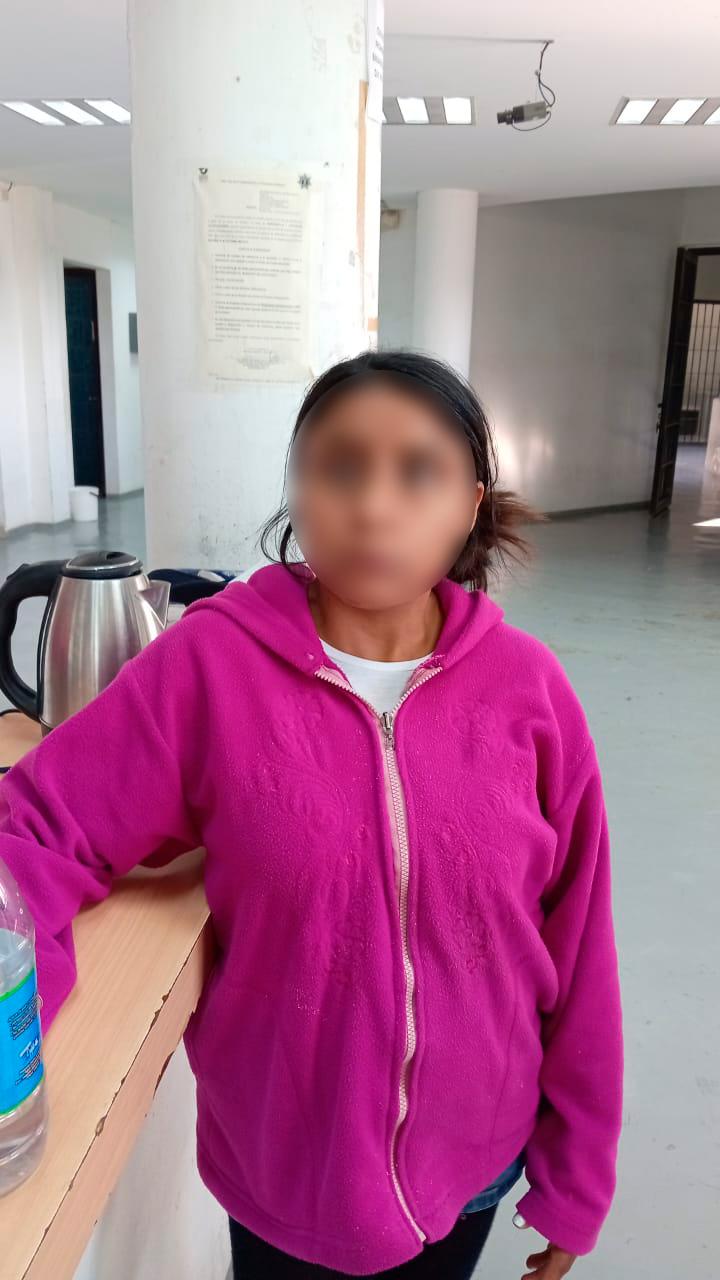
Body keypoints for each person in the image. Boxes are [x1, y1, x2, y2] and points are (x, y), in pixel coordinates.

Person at [0, 350, 623, 1280]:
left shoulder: (530, 691)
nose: (373, 505)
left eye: (418, 472)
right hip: (288, 1170)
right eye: (339, 468)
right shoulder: (208, 669)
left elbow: (579, 940)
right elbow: (38, 827)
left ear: (471, 504)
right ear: (298, 488)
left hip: (476, 1158)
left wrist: (577, 1177)